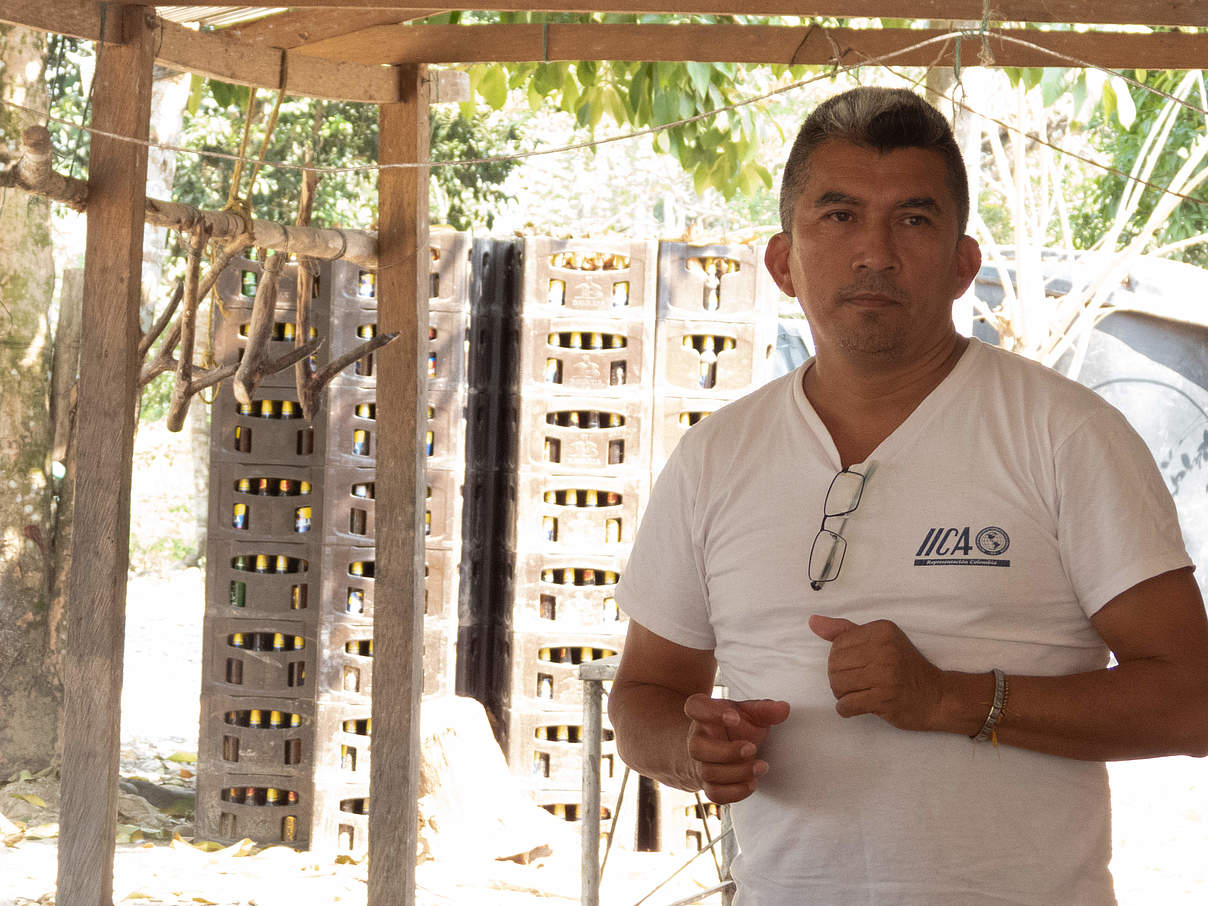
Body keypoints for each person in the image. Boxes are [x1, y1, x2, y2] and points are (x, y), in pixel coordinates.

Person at [609, 86, 1208, 905]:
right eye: (840, 216)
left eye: (915, 220)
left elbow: (1191, 701)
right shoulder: (716, 455)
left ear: (965, 265)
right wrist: (692, 748)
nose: (876, 253)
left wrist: (952, 698)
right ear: (782, 261)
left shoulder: (1067, 434)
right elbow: (643, 694)